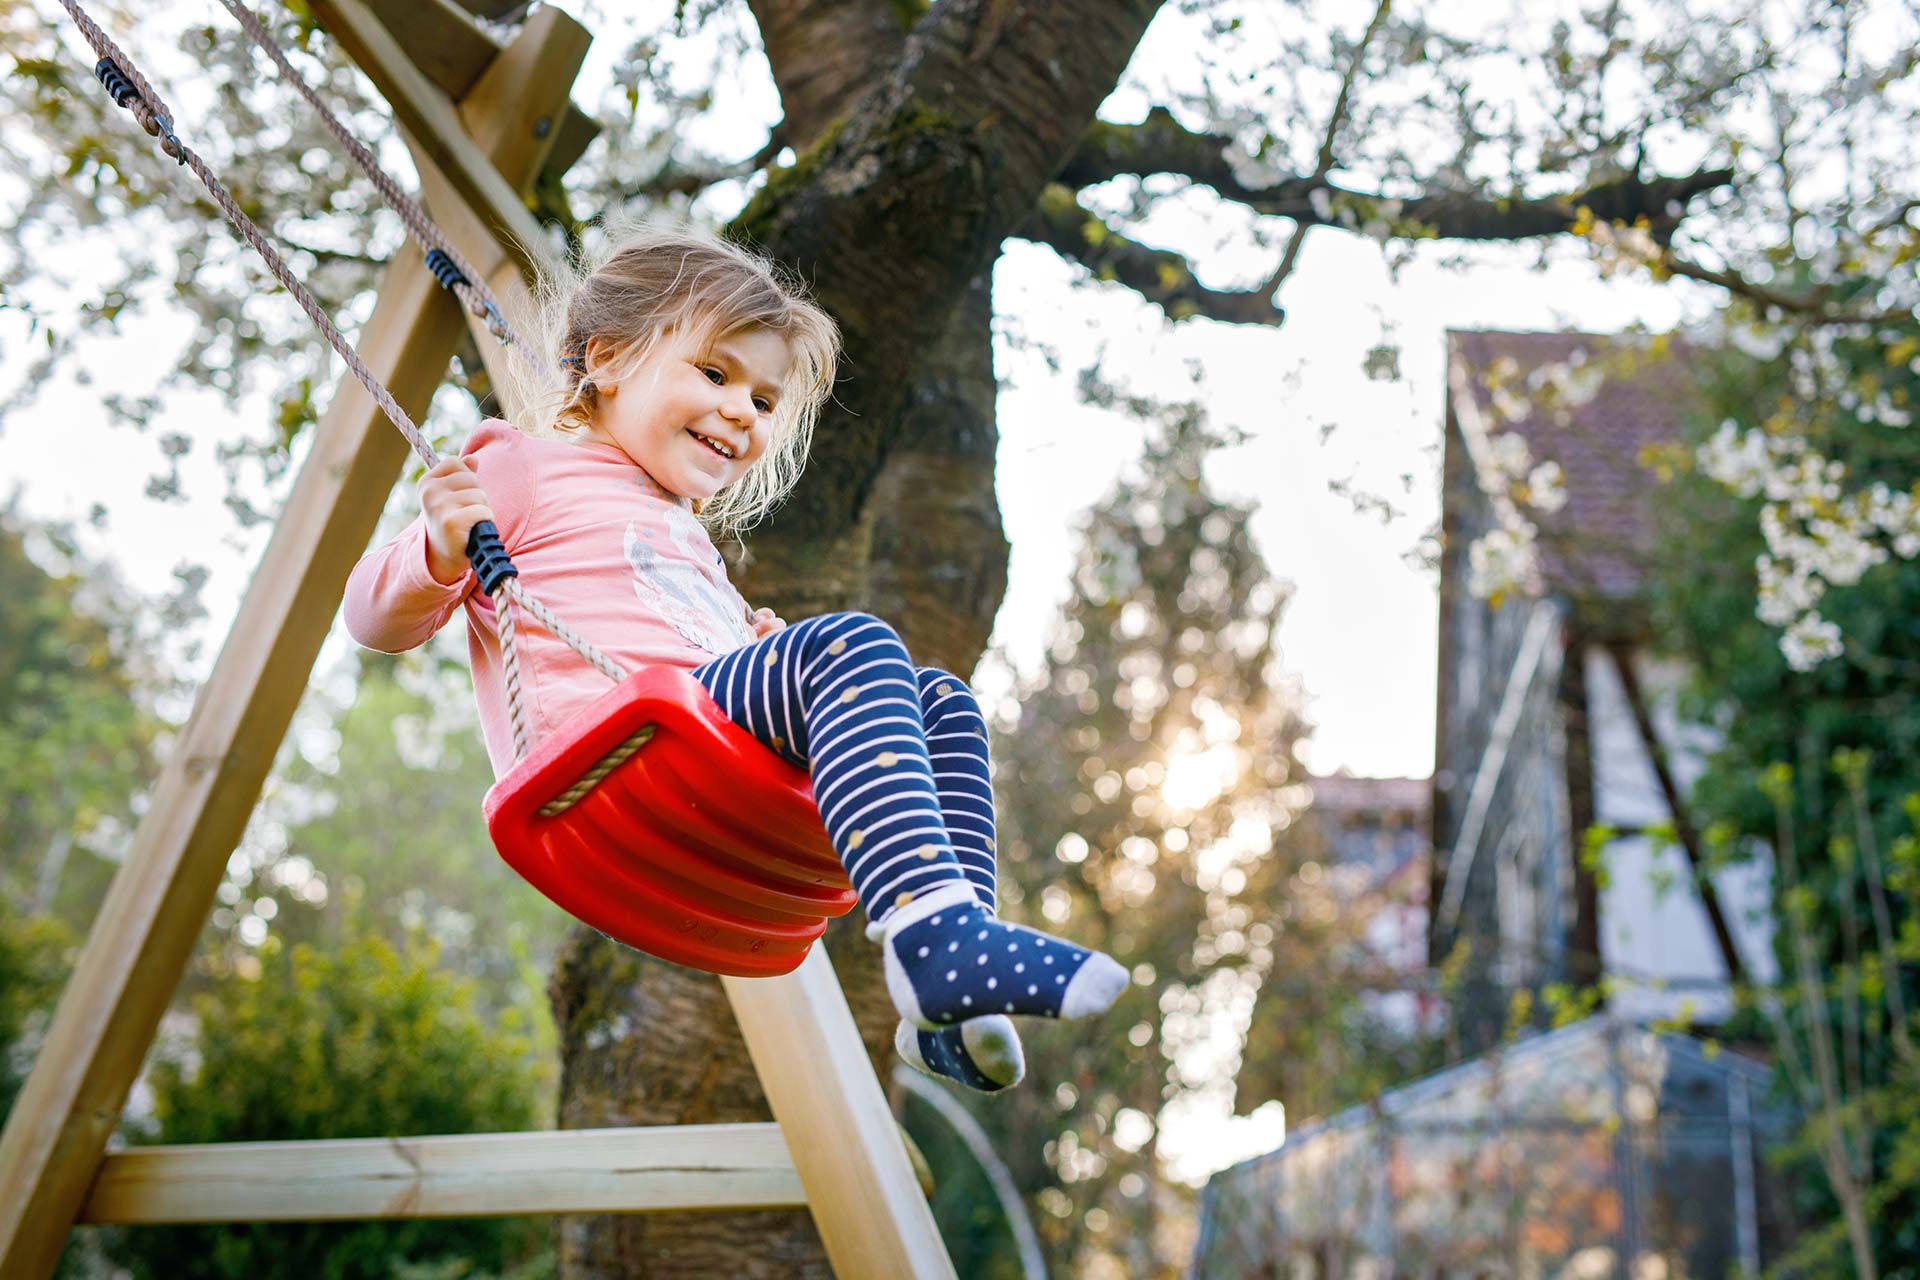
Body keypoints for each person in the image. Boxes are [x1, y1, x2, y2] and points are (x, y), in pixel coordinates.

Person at [343, 226, 1126, 1093]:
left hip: (707, 756)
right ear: (607, 358)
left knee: (941, 700)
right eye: (715, 375)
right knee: (851, 643)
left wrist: (750, 649)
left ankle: (953, 987)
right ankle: (935, 942)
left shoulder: (690, 538)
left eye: (762, 399)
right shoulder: (524, 468)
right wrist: (439, 549)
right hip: (611, 761)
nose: (744, 412)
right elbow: (373, 617)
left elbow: (668, 629)